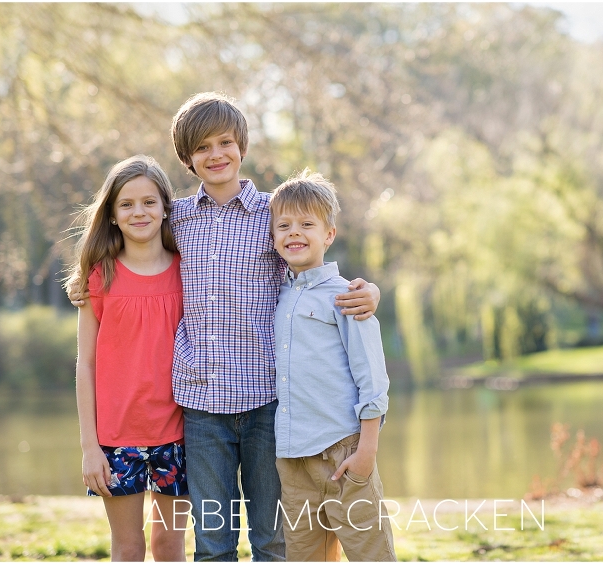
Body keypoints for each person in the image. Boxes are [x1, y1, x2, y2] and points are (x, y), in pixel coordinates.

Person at [70, 92, 380, 561]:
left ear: (242, 147)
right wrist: (85, 282)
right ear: (187, 159)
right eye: (203, 148)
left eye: (225, 143)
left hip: (267, 406)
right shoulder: (177, 220)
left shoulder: (275, 214)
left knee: (272, 540)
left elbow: (313, 252)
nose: (216, 155)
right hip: (201, 410)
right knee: (213, 543)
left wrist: (368, 291)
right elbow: (135, 247)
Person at [269, 169, 396, 562]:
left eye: (307, 224)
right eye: (284, 225)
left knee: (369, 552)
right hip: (293, 460)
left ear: (328, 234)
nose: (294, 233)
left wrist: (367, 450)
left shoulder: (346, 297)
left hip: (344, 451)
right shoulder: (277, 294)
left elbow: (371, 376)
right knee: (306, 556)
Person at [69, 155, 189, 562]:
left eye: (149, 202)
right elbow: (84, 366)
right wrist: (90, 447)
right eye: (127, 204)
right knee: (128, 547)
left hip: (179, 434)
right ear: (113, 215)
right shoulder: (100, 278)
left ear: (165, 208)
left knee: (169, 545)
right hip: (116, 440)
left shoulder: (186, 272)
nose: (139, 211)